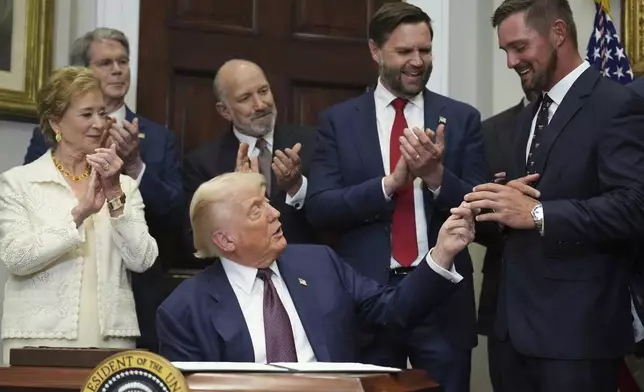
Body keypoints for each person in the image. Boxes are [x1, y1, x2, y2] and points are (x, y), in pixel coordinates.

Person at [304, 3, 486, 391]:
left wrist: (435, 176)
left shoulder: (461, 118)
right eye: (404, 52)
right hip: (367, 297)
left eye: (425, 49)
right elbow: (320, 207)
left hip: (442, 299)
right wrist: (389, 184)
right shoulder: (338, 122)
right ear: (375, 51)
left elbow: (480, 205)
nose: (417, 61)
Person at [464, 0, 644, 390]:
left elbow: (634, 207)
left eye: (520, 47)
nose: (511, 62)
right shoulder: (528, 116)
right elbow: (518, 208)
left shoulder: (616, 105)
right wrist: (495, 204)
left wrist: (540, 214)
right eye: (505, 51)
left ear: (559, 33)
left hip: (576, 338)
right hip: (511, 335)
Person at [157, 172, 474, 362]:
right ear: (225, 240)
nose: (275, 214)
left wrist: (442, 254)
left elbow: (393, 310)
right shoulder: (184, 310)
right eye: (257, 210)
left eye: (268, 201)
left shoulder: (319, 263)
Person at [22, 28, 183, 352]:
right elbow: (33, 205)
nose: (117, 70)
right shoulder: (49, 135)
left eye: (123, 61)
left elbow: (174, 216)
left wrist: (134, 168)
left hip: (137, 294)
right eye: (106, 62)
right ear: (84, 71)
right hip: (62, 289)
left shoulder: (158, 137)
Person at [0, 66, 159, 364]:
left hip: (111, 342)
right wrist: (79, 214)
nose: (99, 124)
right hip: (35, 342)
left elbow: (143, 260)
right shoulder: (19, 182)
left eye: (102, 113)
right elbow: (16, 258)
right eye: (87, 114)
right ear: (56, 122)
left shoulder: (122, 184)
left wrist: (114, 196)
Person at [182, 59, 318, 245]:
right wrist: (237, 202)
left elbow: (332, 218)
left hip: (303, 267)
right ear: (225, 111)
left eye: (263, 91)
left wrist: (296, 187)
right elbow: (196, 240)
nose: (260, 104)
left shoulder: (312, 143)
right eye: (245, 98)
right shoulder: (202, 165)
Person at [476, 87, 537, 392]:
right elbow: (470, 212)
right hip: (504, 299)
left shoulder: (590, 122)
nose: (515, 62)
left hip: (577, 305)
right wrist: (501, 213)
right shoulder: (490, 130)